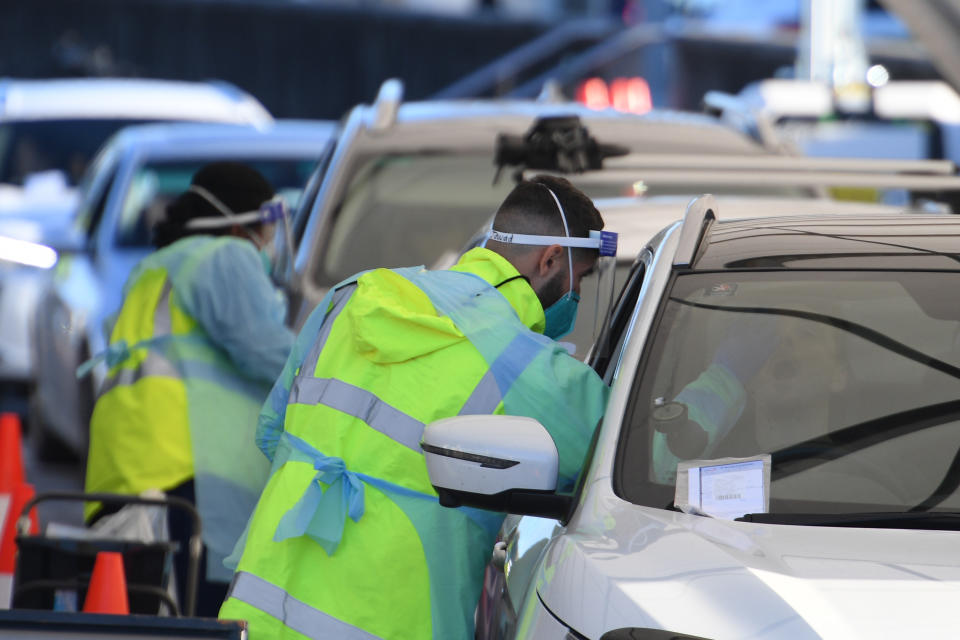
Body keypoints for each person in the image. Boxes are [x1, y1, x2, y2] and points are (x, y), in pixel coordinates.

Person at [218, 175, 612, 639]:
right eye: (581, 278)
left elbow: (271, 432)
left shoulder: (353, 295)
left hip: (258, 609)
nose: (578, 296)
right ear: (550, 260)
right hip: (388, 622)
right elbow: (633, 459)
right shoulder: (531, 367)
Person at [83, 161, 295, 616]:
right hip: (185, 476)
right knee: (194, 620)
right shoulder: (224, 257)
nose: (271, 241)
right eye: (268, 227)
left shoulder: (153, 268)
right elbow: (271, 354)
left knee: (142, 618)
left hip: (123, 475)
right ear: (241, 225)